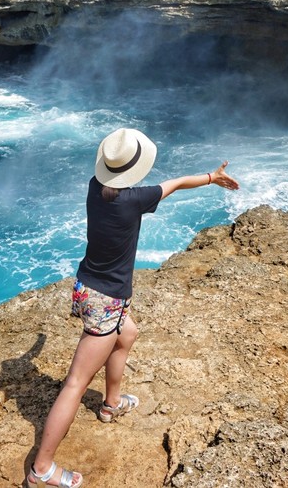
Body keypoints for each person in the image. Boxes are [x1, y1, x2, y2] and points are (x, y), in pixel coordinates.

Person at [26, 127, 240, 488]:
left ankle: (111, 403)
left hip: (86, 288)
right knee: (75, 384)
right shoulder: (133, 200)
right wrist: (211, 177)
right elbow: (171, 184)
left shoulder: (96, 189)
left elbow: (165, 185)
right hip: (106, 298)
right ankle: (41, 469)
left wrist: (36, 345)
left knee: (128, 334)